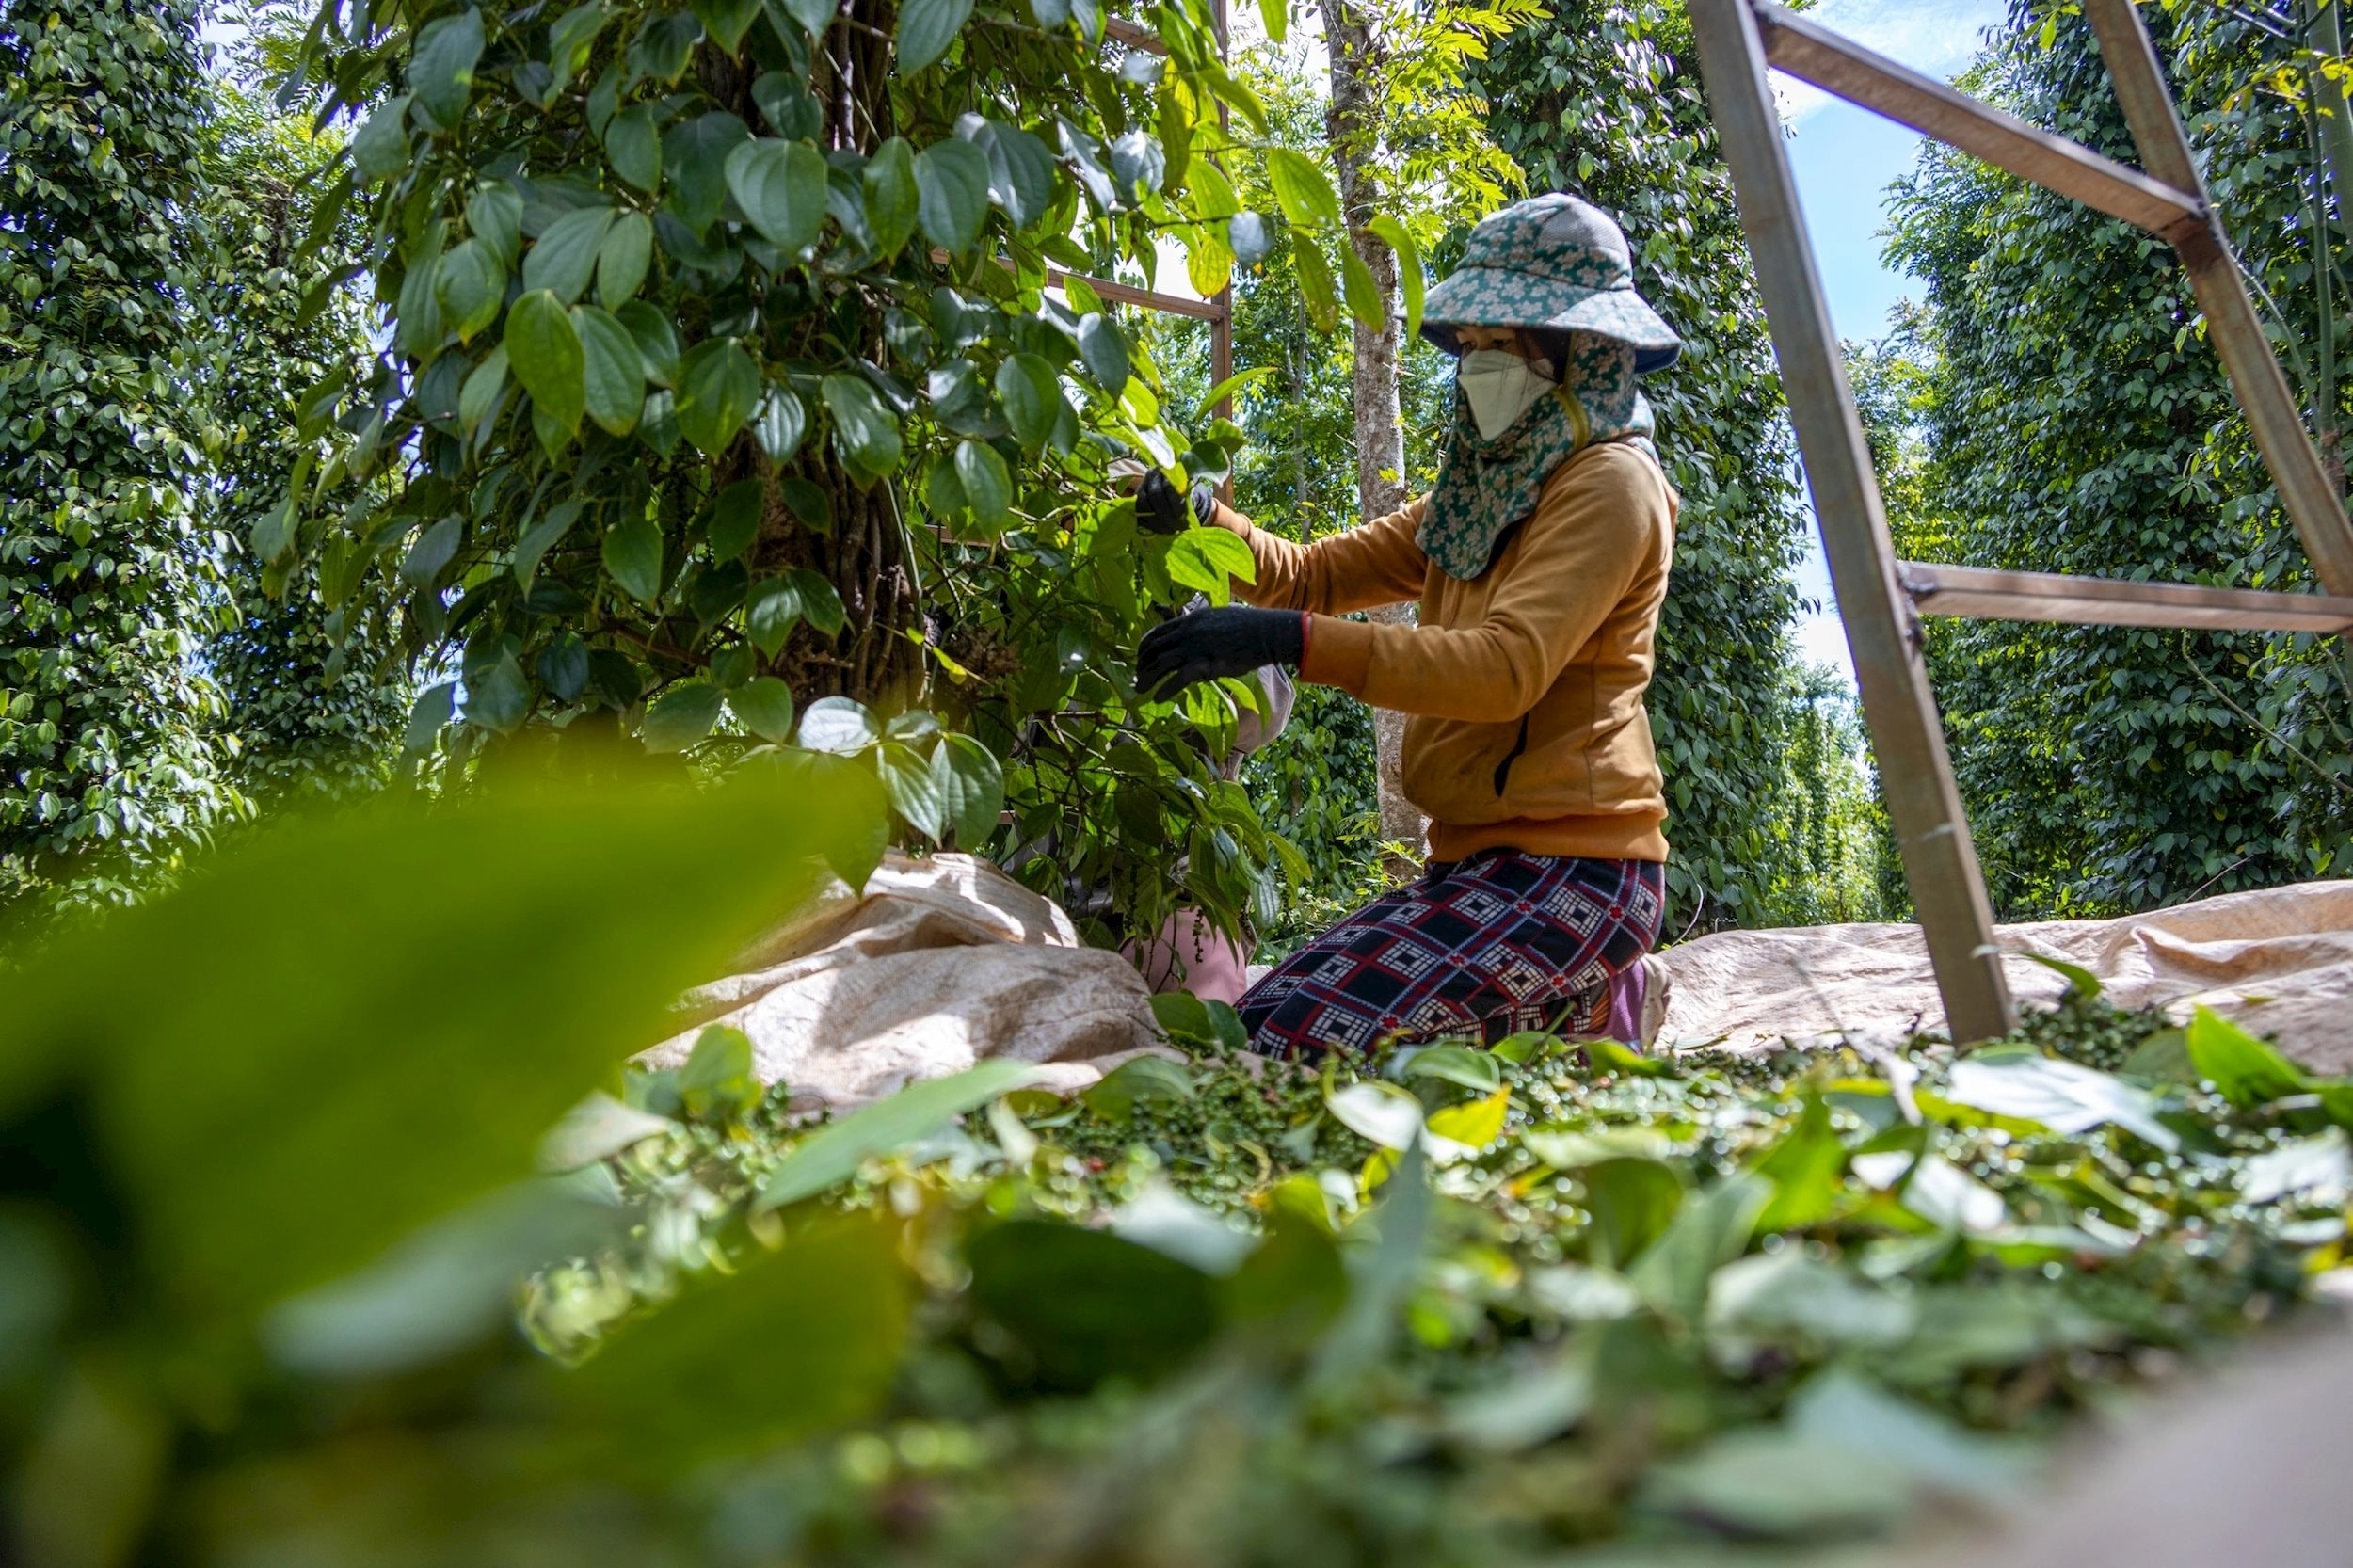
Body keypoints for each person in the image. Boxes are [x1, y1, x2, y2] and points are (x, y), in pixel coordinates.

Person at [1133, 192, 1683, 1056]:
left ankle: (1594, 980)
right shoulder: (1480, 494)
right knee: (1260, 1019)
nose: (1476, 367)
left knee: (1293, 1047)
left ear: (1578, 352)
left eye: (1501, 346)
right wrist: (1203, 520)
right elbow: (1313, 573)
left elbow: (1503, 672)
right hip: (1471, 865)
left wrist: (1286, 642)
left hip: (1581, 871)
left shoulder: (1610, 486)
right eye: (1469, 346)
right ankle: (1585, 1004)